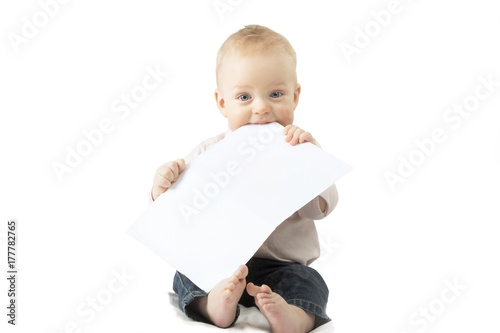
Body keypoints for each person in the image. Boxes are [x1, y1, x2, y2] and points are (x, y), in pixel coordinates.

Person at [151, 25, 339, 333]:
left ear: (295, 96)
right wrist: (162, 187)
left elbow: (321, 208)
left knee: (310, 283)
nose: (262, 108)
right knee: (184, 275)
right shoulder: (208, 152)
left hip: (283, 268)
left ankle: (293, 316)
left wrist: (308, 163)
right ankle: (214, 304)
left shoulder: (299, 149)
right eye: (244, 96)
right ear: (223, 103)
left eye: (275, 94)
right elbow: (177, 211)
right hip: (219, 264)